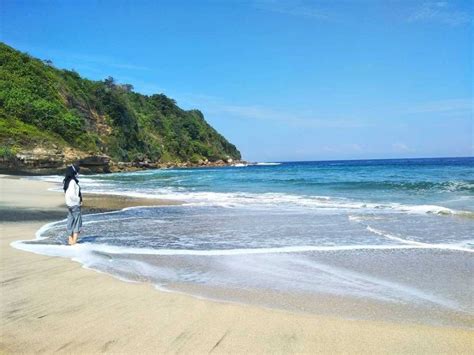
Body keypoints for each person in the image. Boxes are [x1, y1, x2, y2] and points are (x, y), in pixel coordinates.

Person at [63, 164, 83, 245]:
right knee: (77, 222)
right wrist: (78, 200)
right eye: (77, 172)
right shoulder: (72, 181)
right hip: (74, 204)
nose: (78, 173)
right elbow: (72, 195)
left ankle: (70, 240)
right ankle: (74, 241)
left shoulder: (67, 181)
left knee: (70, 221)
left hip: (69, 204)